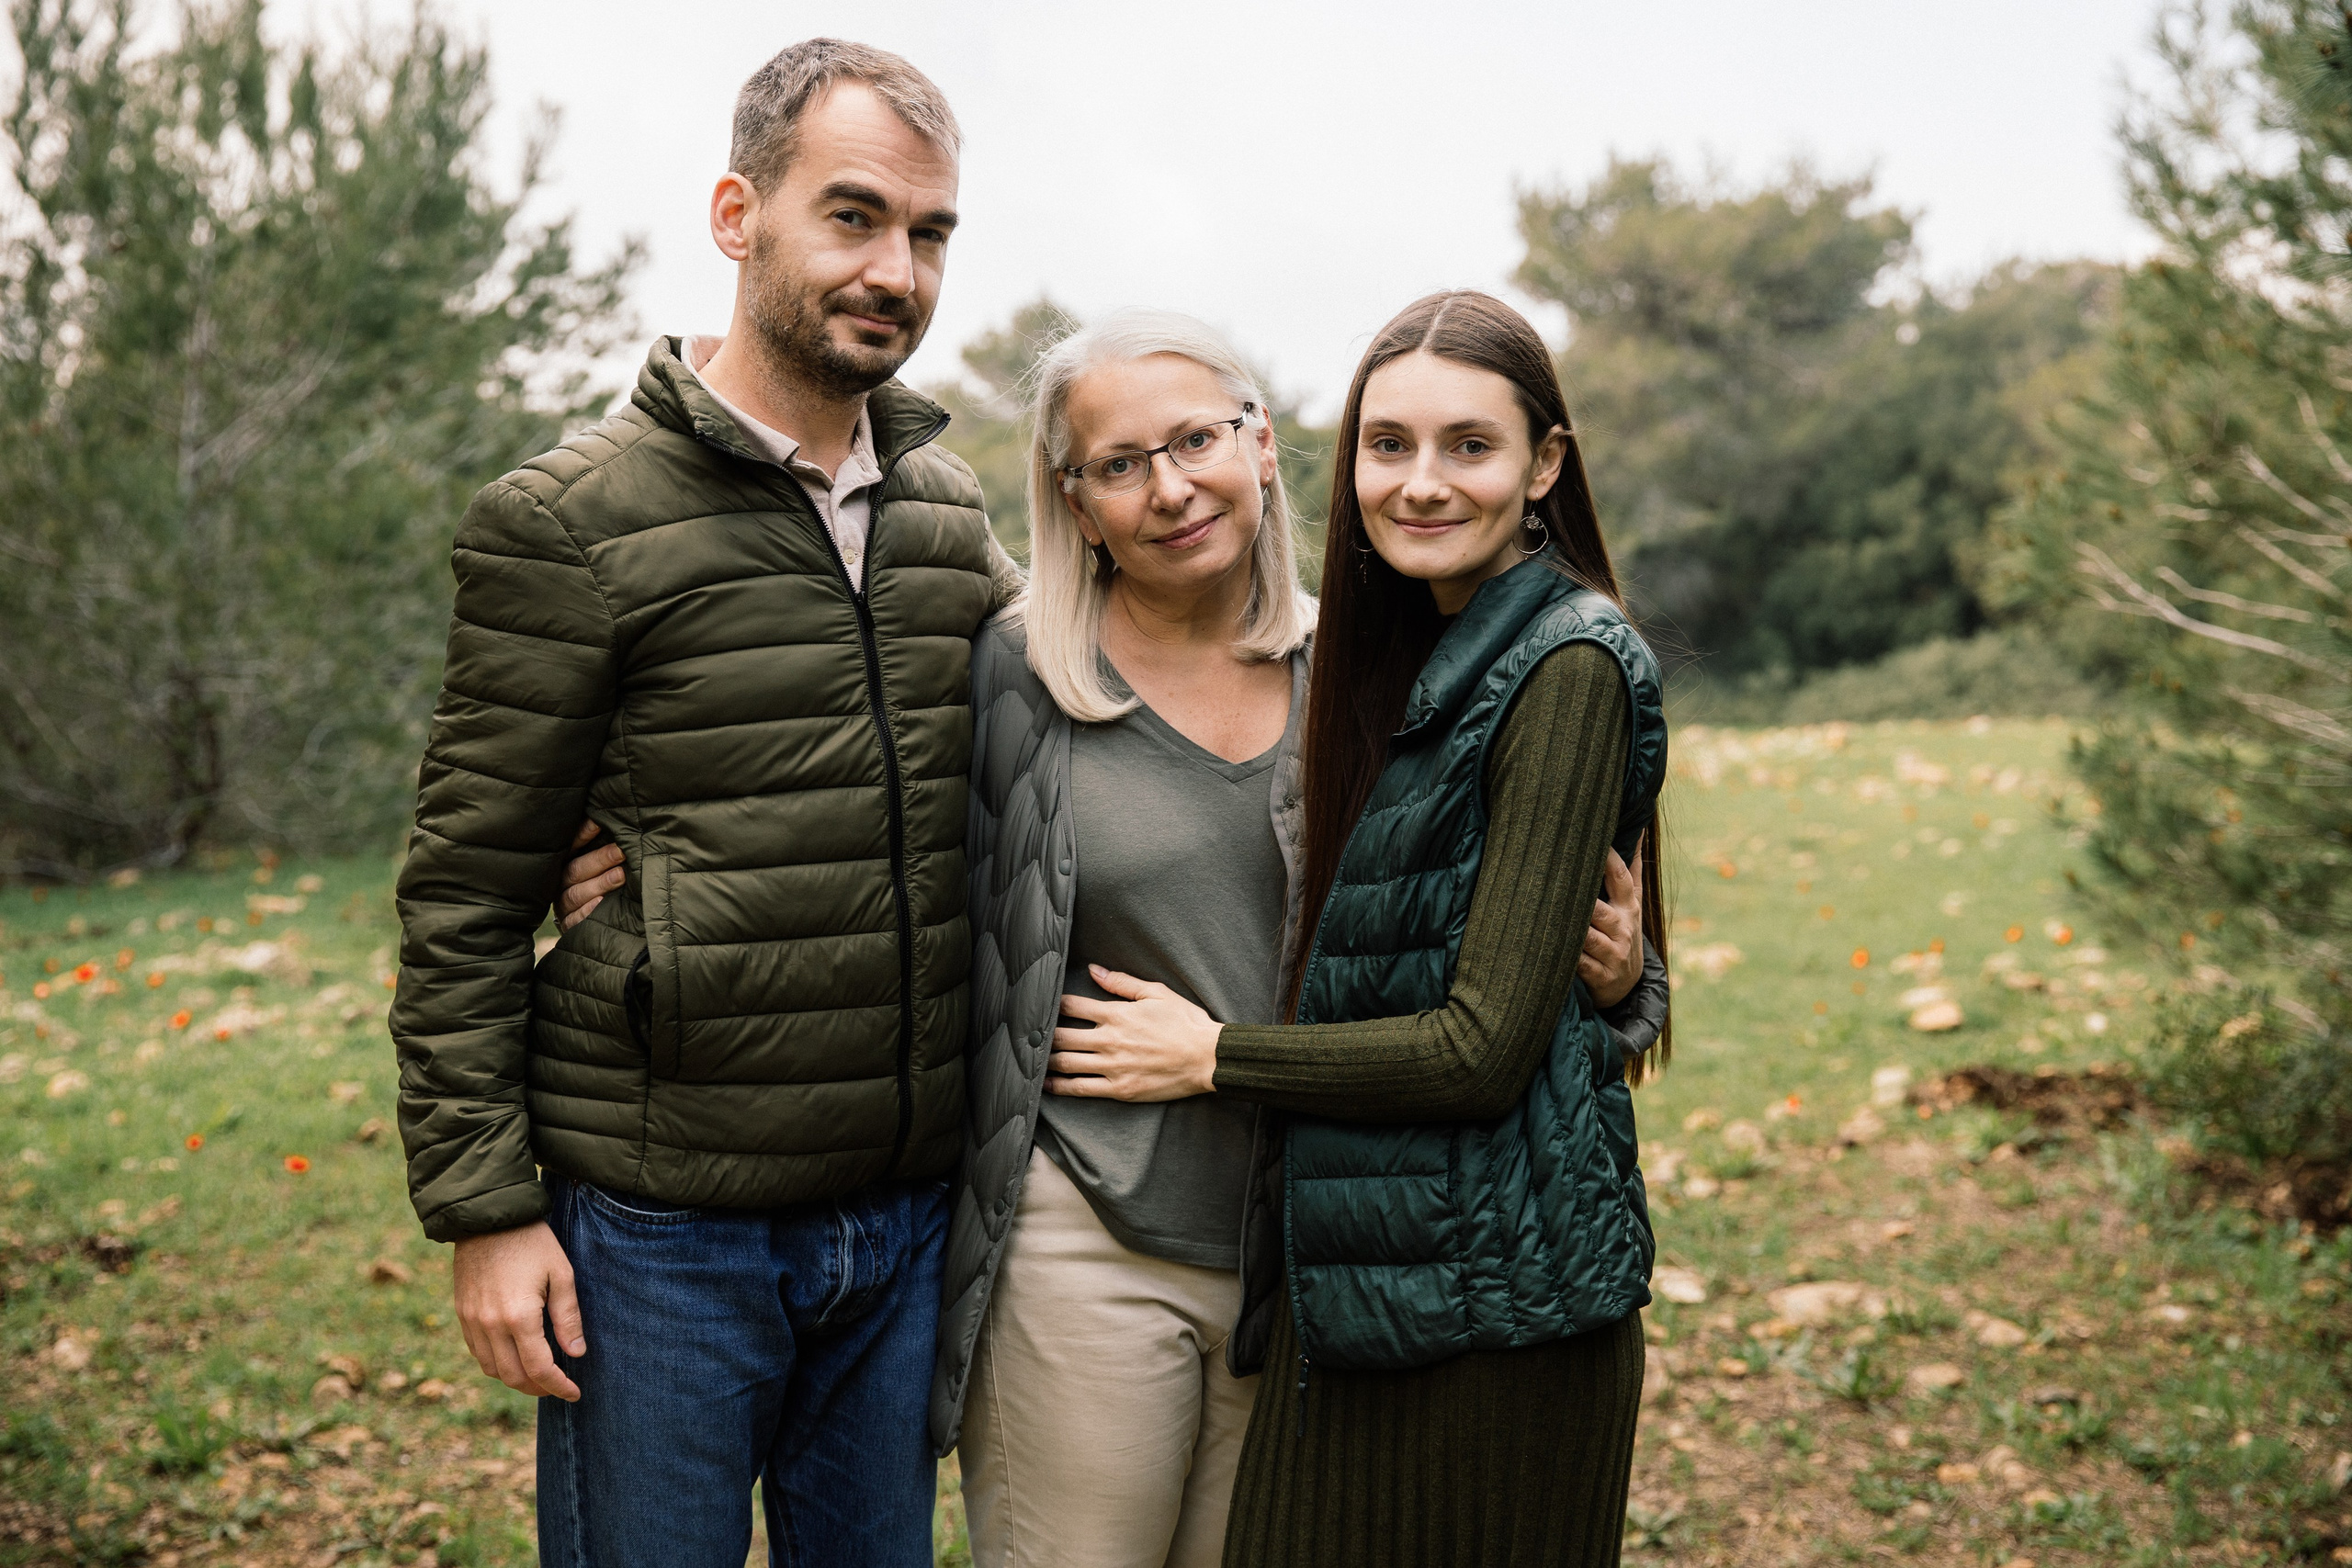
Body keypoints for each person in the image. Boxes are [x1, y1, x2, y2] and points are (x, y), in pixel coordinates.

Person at [554, 310, 1665, 1566]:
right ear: (1074, 501)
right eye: (1119, 464)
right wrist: (646, 873)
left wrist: (1625, 981)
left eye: (1196, 441)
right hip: (1090, 1220)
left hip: (1311, 1248)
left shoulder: (1371, 671)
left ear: (1259, 444)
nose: (1170, 488)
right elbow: (846, 808)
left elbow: (1474, 929)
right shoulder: (1016, 673)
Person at [390, 39, 1019, 1568]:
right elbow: (466, 894)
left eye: (930, 232)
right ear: (739, 216)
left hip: (903, 1219)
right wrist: (488, 1210)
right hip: (663, 1232)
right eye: (853, 216)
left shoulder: (949, 514)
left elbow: (1112, 690)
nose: (896, 271)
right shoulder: (568, 523)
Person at [1047, 289, 1670, 1568]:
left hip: (1495, 1307)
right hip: (1380, 1280)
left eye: (1469, 445)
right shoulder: (1408, 659)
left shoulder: (1566, 664)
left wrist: (1213, 1056)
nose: (1421, 482)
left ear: (1545, 465)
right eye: (1390, 445)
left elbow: (1480, 1049)